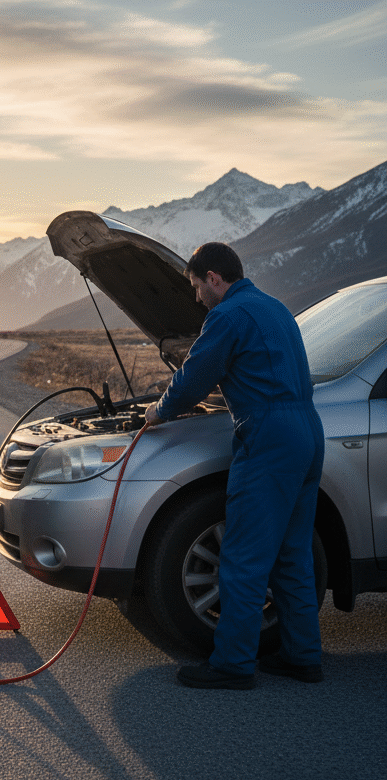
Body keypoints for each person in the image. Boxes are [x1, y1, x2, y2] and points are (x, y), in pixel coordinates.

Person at [144, 242, 324, 689]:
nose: (196, 297)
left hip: (269, 436)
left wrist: (159, 411)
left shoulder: (226, 316)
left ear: (214, 279)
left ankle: (233, 665)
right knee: (292, 554)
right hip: (308, 430)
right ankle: (304, 657)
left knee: (243, 555)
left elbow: (193, 379)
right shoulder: (276, 308)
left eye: (196, 287)